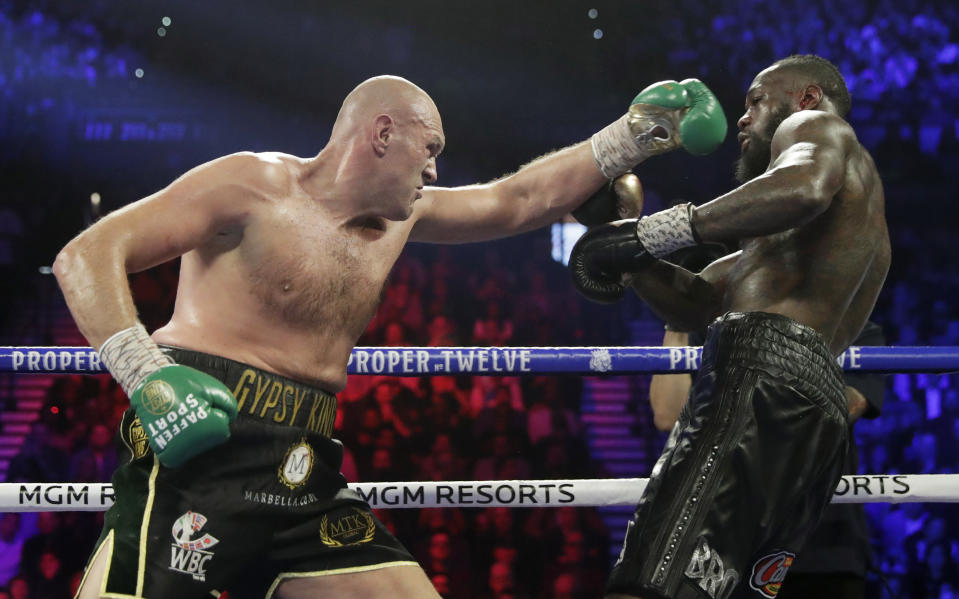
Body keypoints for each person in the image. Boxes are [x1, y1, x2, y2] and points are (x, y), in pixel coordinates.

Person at [54, 75, 725, 598]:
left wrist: (633, 135)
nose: (434, 170)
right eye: (428, 149)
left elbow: (518, 199)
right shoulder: (253, 185)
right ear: (381, 134)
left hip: (306, 462)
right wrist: (145, 374)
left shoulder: (400, 219)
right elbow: (85, 254)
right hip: (204, 439)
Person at [570, 54, 891, 599]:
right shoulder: (797, 236)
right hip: (809, 414)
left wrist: (658, 232)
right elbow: (695, 305)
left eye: (755, 101)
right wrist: (622, 236)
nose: (742, 120)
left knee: (653, 582)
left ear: (806, 98)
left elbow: (805, 185)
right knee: (709, 589)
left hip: (757, 382)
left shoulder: (816, 128)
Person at [649, 321, 886, 598]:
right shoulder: (714, 329)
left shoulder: (852, 327)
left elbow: (839, 411)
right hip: (725, 540)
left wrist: (725, 413)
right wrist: (676, 322)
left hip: (822, 542)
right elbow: (668, 415)